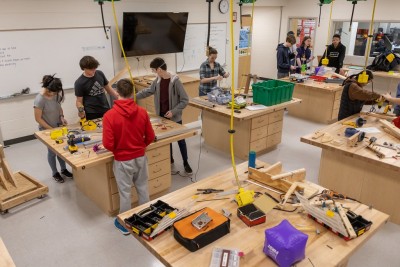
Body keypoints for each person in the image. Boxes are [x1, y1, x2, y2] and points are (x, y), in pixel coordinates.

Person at [102, 78, 155, 235]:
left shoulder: (109, 116)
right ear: (132, 92)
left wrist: (120, 151)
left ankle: (125, 225)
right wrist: (139, 148)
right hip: (140, 158)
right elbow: (150, 137)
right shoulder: (142, 112)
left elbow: (107, 143)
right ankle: (146, 219)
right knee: (143, 188)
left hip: (122, 160)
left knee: (125, 193)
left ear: (117, 92)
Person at [136, 57, 193, 175]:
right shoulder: (157, 80)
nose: (153, 72)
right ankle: (170, 159)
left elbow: (185, 100)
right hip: (162, 116)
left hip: (174, 116)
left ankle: (185, 162)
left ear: (160, 69)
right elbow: (148, 91)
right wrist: (132, 97)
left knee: (180, 140)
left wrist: (174, 111)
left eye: (153, 70)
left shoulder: (175, 81)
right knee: (167, 140)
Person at [34, 75, 73, 183]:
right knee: (52, 152)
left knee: (61, 149)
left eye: (56, 92)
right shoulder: (40, 99)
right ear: (47, 88)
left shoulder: (56, 94)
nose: (54, 94)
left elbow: (59, 108)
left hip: (57, 127)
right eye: (52, 92)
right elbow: (38, 119)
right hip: (46, 130)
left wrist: (62, 117)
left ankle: (63, 170)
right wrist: (51, 129)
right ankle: (54, 172)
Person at [74, 55, 119, 120]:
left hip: (105, 107)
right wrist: (80, 111)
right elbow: (79, 101)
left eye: (94, 68)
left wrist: (118, 97)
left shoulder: (100, 73)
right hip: (91, 112)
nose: (94, 71)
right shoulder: (79, 83)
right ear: (84, 68)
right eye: (91, 69)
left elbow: (108, 88)